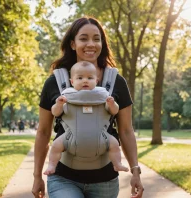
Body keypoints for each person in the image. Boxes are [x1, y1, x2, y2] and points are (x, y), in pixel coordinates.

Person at [32, 16, 143, 198]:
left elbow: (126, 131)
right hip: (63, 178)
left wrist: (135, 171)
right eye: (83, 38)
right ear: (73, 44)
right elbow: (43, 132)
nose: (91, 44)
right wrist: (37, 176)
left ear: (102, 44)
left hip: (105, 180)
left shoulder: (116, 82)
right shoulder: (55, 82)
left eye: (96, 39)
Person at [44, 61, 129, 175]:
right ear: (72, 82)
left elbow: (114, 111)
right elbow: (56, 112)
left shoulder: (103, 95)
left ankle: (117, 163)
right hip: (70, 137)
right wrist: (59, 104)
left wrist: (112, 104)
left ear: (96, 81)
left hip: (102, 137)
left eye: (90, 78)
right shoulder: (66, 96)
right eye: (80, 78)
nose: (85, 80)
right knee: (56, 145)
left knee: (114, 143)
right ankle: (52, 165)